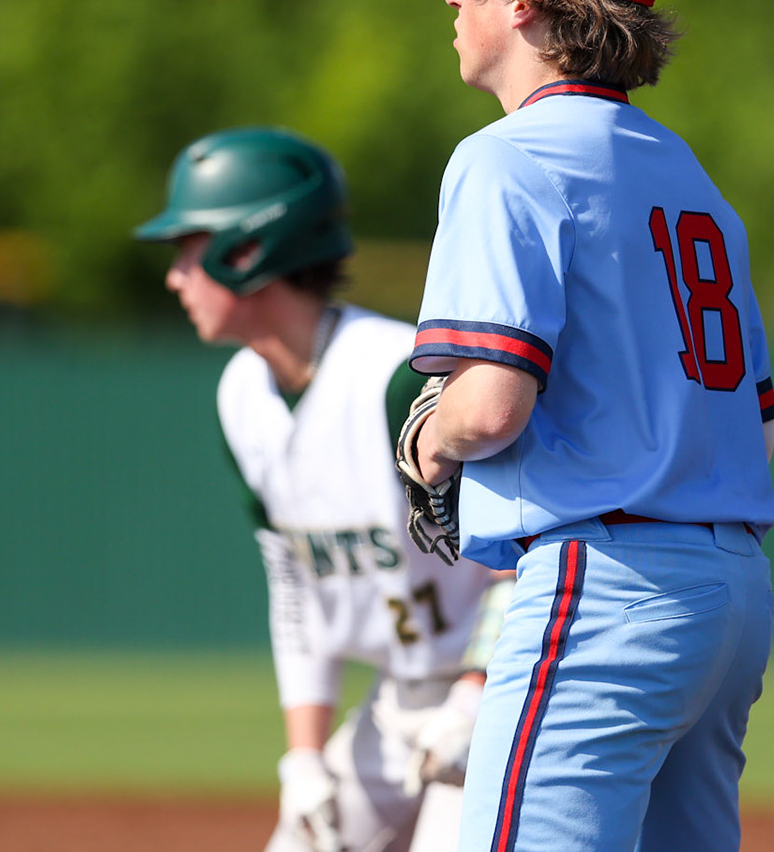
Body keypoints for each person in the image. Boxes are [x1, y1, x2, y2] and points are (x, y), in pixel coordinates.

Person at [396, 0, 774, 852]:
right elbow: (760, 422)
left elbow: (489, 407)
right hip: (728, 591)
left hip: (603, 585)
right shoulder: (686, 172)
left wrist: (428, 442)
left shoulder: (507, 157)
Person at [136, 127, 507, 852]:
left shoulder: (400, 376)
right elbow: (294, 582)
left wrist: (476, 697)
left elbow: (523, 556)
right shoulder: (242, 394)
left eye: (188, 248)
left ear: (247, 250)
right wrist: (303, 755)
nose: (176, 276)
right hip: (396, 703)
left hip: (491, 696)